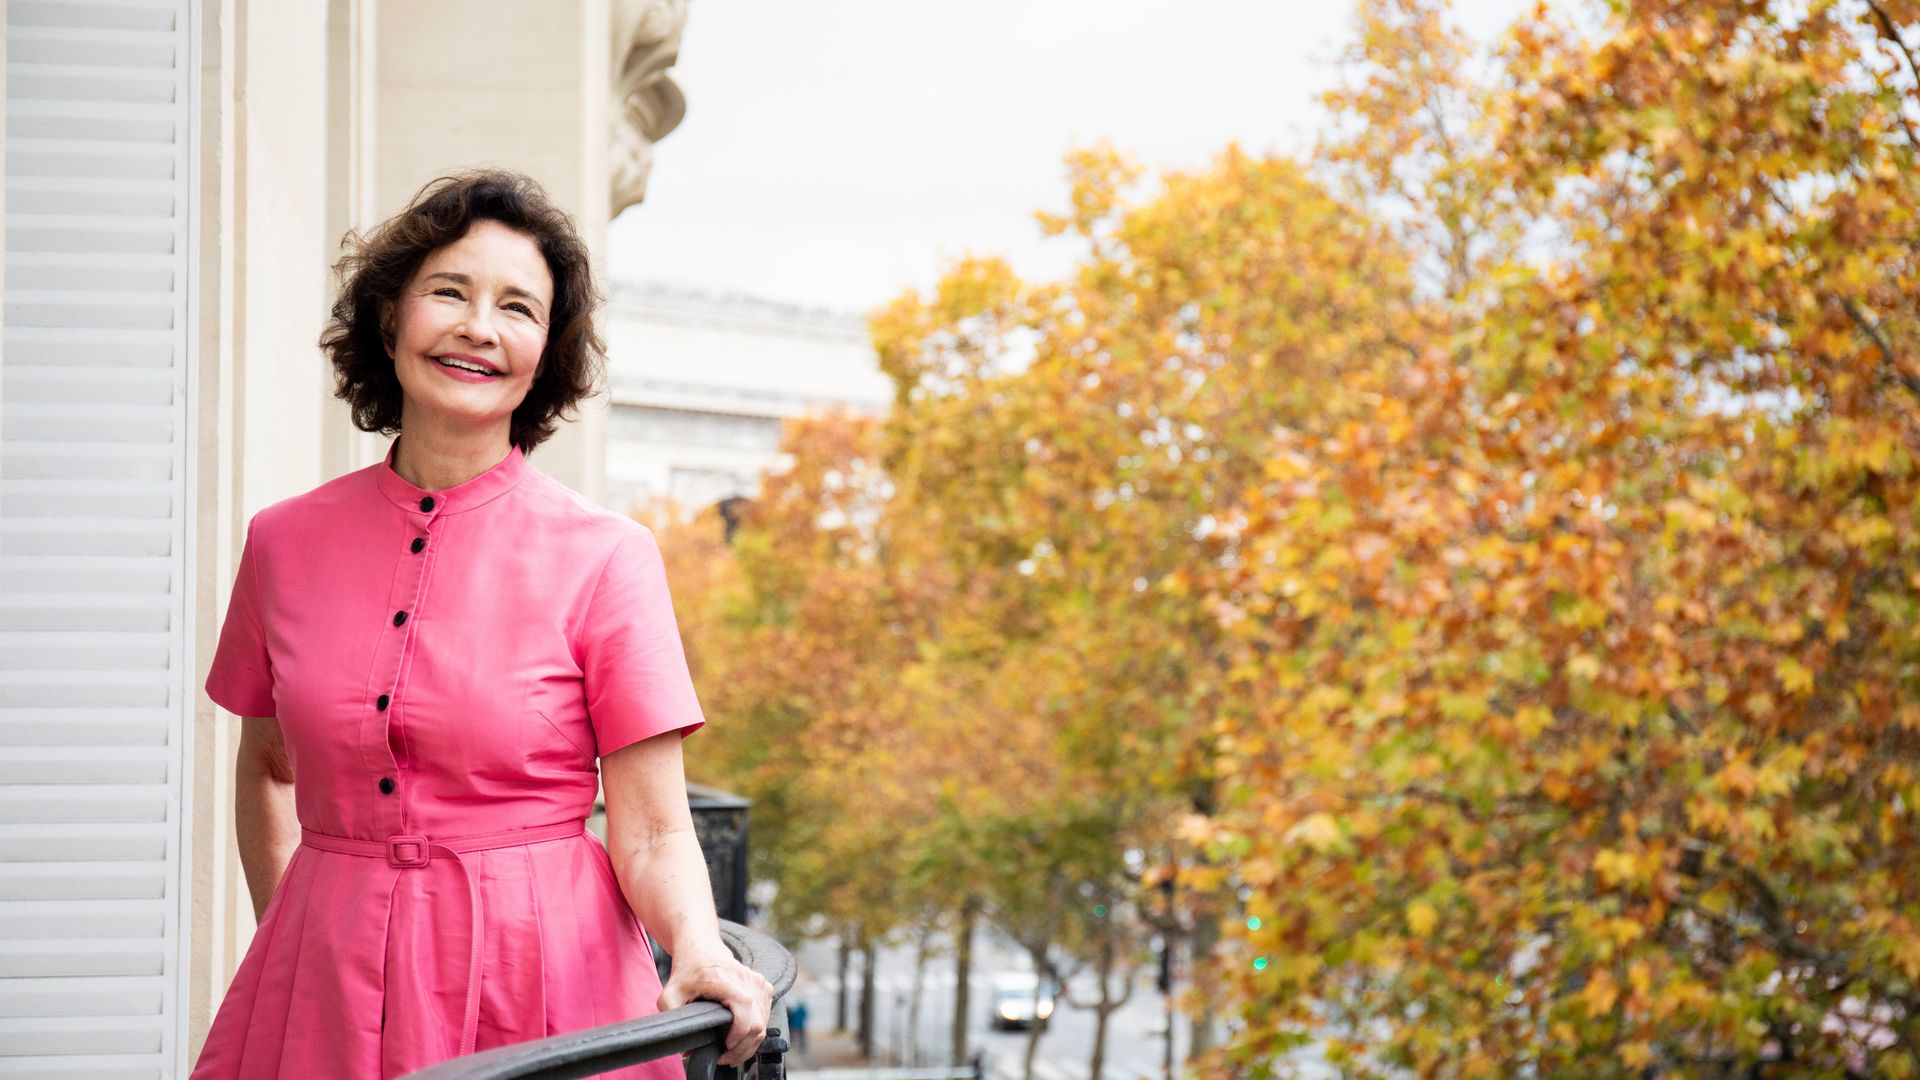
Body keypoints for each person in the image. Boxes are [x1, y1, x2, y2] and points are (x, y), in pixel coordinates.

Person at [193, 169, 772, 1078]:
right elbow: (265, 767)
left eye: (518, 308)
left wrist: (698, 946)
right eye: (449, 292)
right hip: (326, 989)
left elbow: (655, 830)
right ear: (390, 319)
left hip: (539, 984)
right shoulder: (281, 542)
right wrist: (295, 941)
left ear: (547, 351)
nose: (479, 327)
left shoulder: (608, 556)